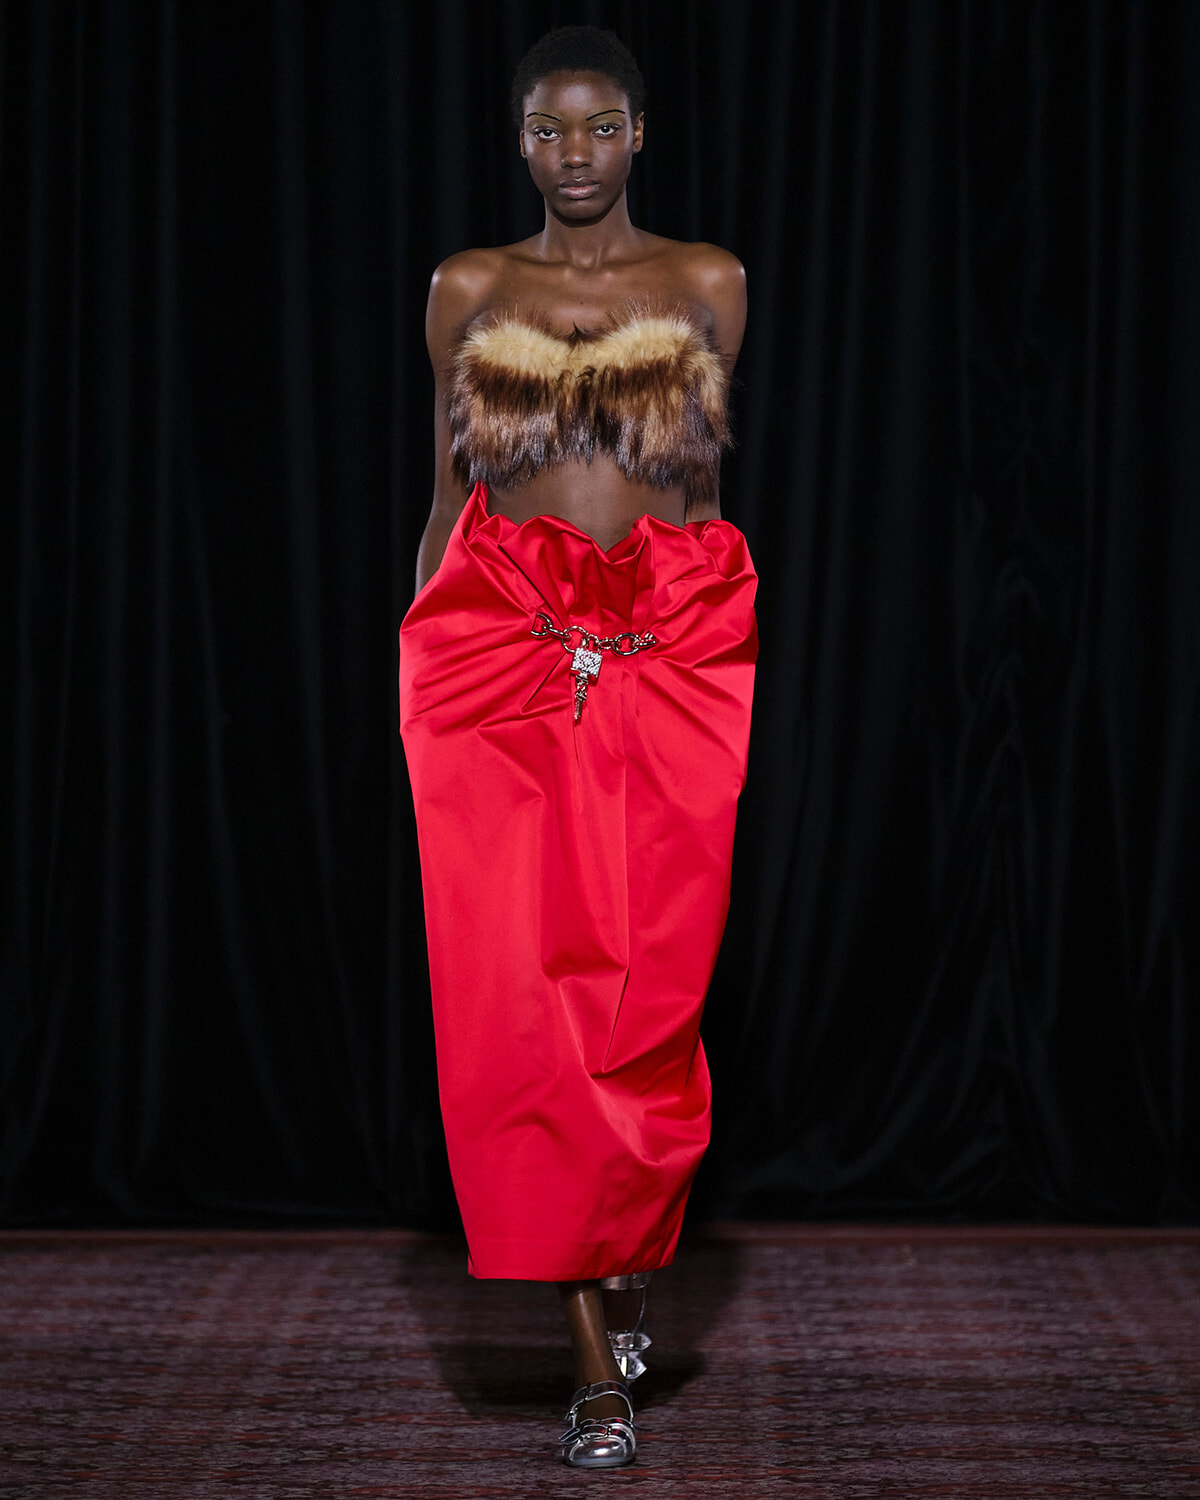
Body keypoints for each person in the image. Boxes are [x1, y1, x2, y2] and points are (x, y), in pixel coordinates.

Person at [398, 26, 757, 1469]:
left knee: (643, 1002)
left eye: (599, 127)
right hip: (497, 658)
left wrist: (696, 649)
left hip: (669, 659)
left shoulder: (708, 281)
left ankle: (625, 1251)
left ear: (639, 134)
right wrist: (417, 669)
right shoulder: (471, 289)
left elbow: (707, 491)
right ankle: (593, 1362)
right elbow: (445, 491)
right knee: (523, 1015)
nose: (575, 154)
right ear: (523, 142)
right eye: (550, 132)